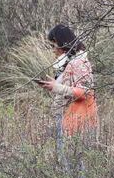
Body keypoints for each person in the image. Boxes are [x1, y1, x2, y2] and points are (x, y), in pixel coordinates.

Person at [38, 24, 98, 168]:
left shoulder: (77, 63)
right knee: (69, 165)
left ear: (63, 44)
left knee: (75, 167)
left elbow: (85, 92)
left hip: (78, 121)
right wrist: (55, 86)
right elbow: (70, 87)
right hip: (70, 118)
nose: (53, 51)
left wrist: (57, 87)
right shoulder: (71, 62)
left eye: (54, 46)